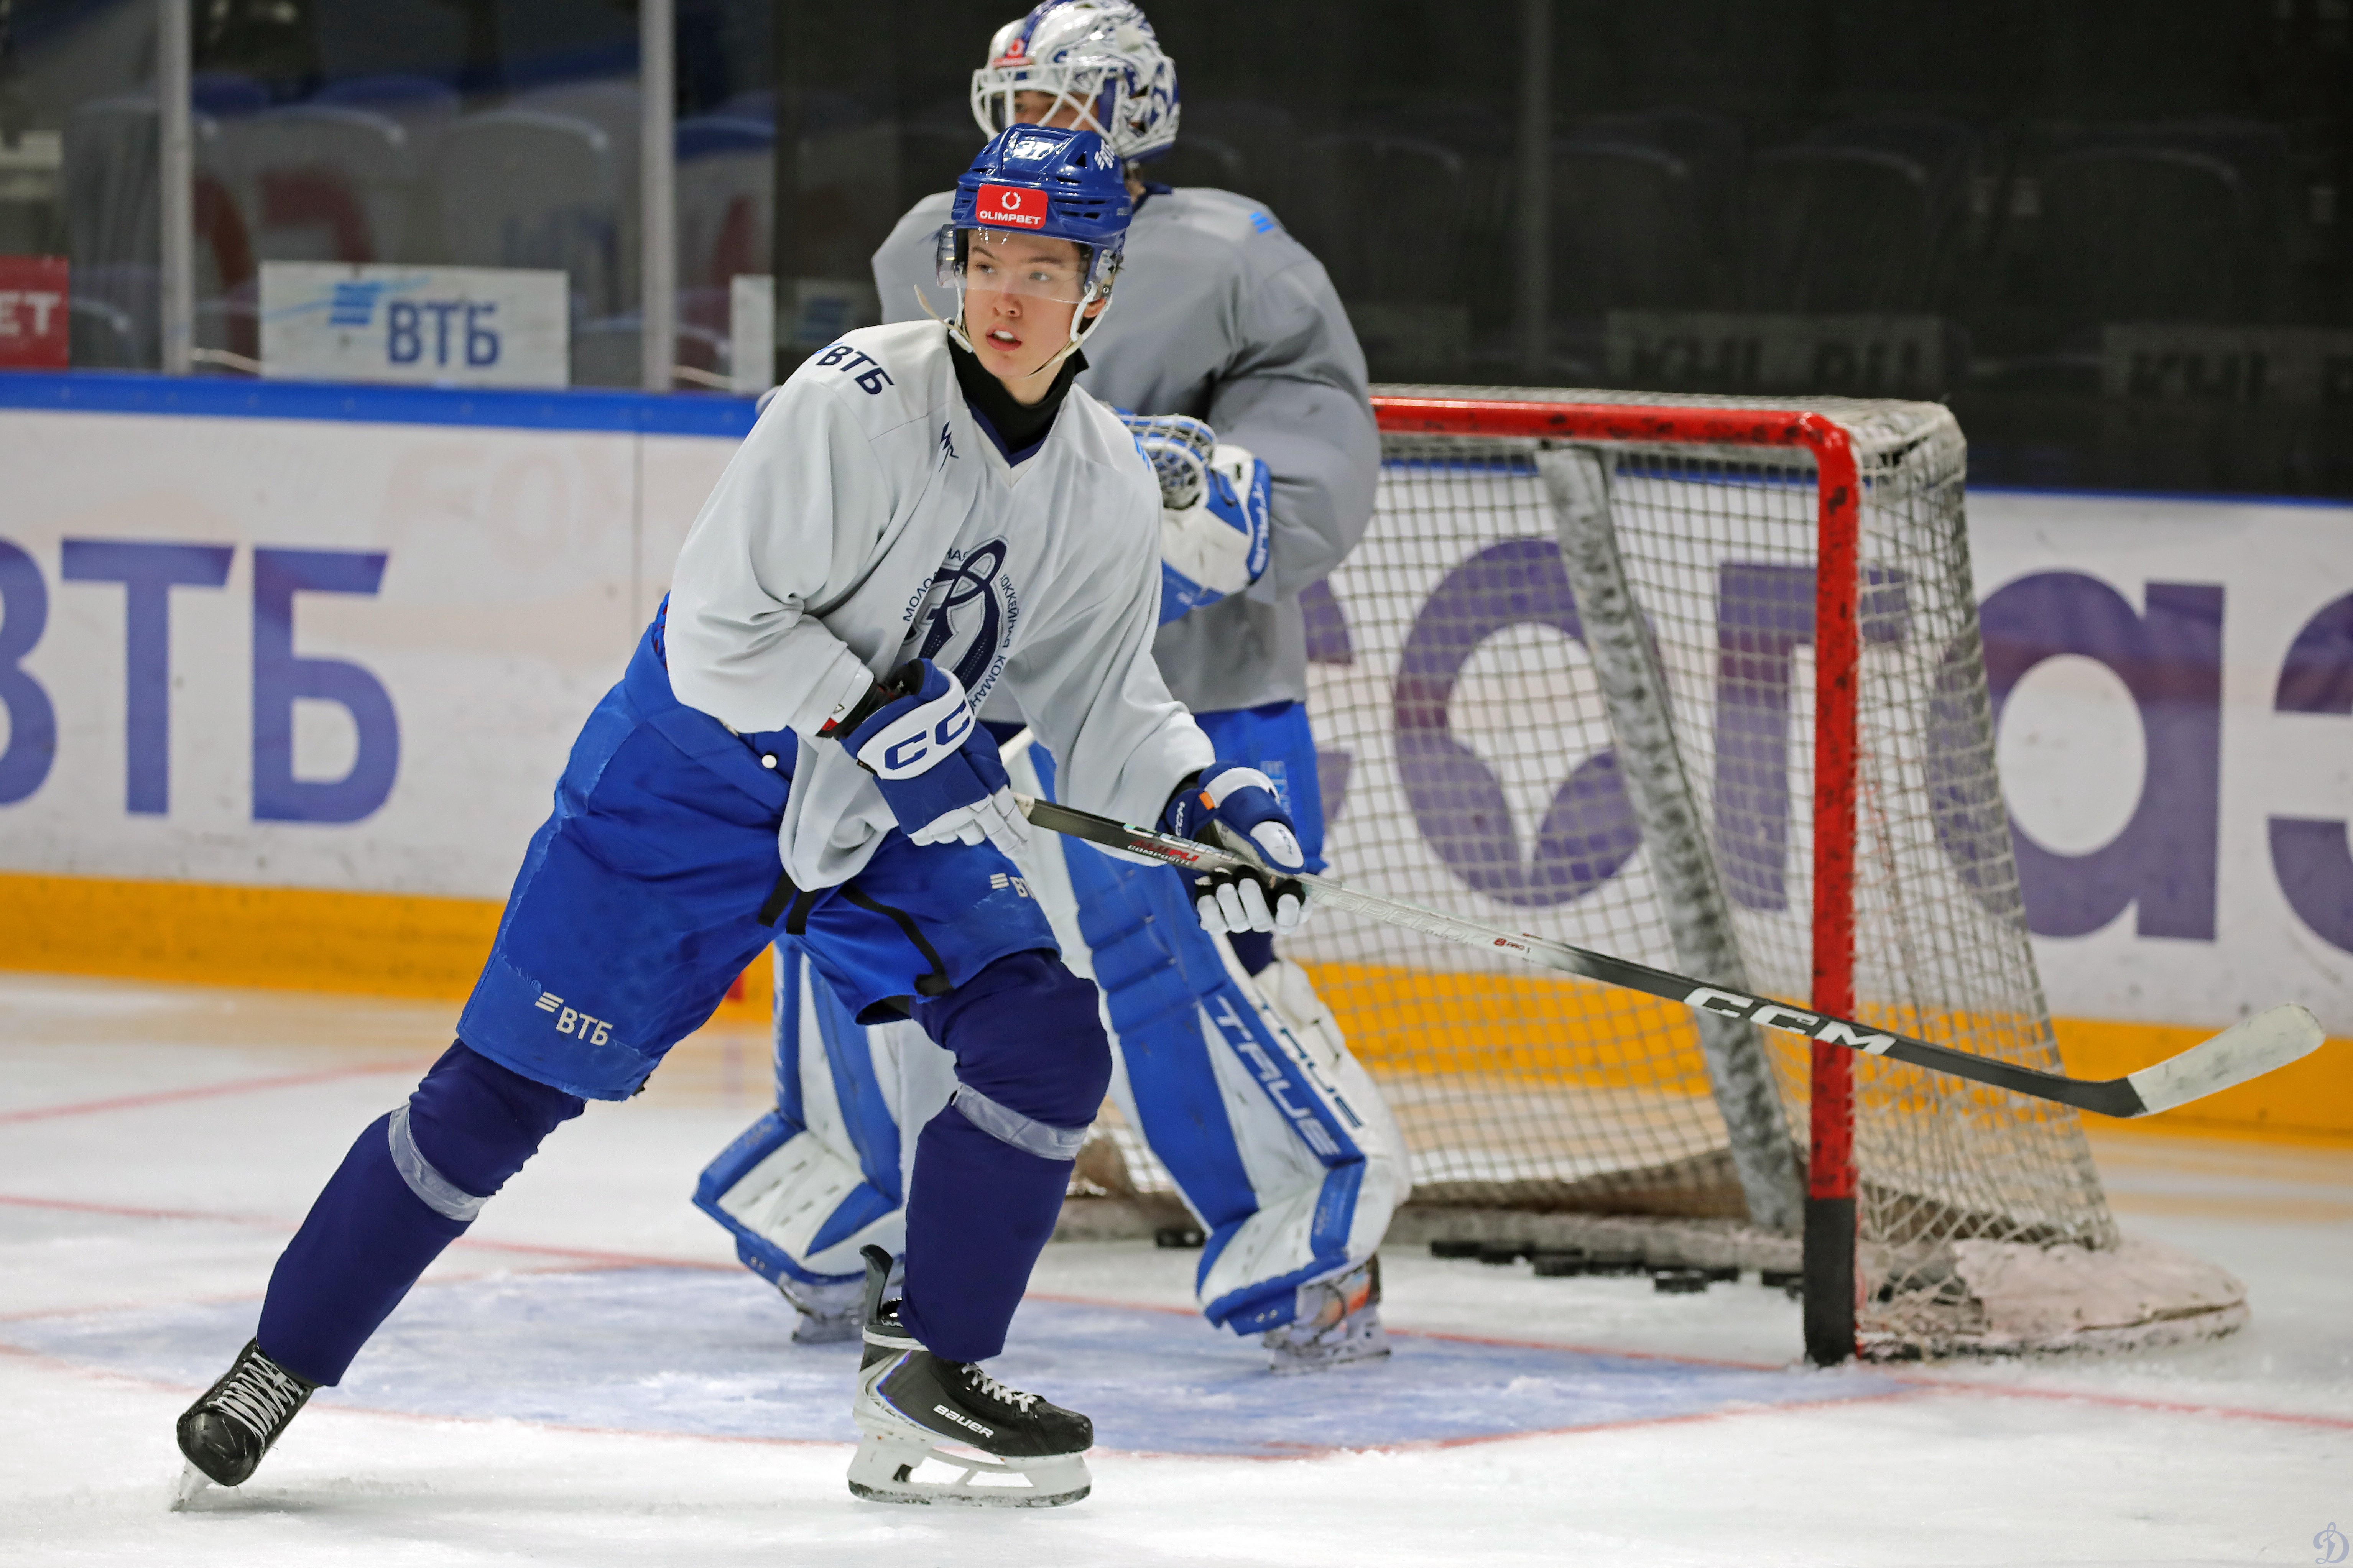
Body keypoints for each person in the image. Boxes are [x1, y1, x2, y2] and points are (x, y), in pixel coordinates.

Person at [171, 124, 1314, 1511]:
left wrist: (1205, 794)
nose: (1004, 297)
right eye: (984, 261)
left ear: (1098, 289)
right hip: (688, 788)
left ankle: (929, 1382)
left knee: (1043, 1035)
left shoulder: (1106, 480)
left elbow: (1102, 700)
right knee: (499, 1096)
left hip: (873, 816)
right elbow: (716, 633)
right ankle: (279, 1361)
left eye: (1041, 269)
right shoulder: (852, 400)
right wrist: (871, 707)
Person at [696, 0, 1408, 1375]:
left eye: (1072, 102)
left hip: (1179, 689)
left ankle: (1304, 1247)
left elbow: (1306, 476)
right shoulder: (930, 238)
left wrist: (1193, 495)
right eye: (1021, 102)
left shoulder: (1238, 260)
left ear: (1142, 111)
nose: (1042, 127)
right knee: (873, 944)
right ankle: (864, 1219)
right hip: (950, 694)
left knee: (1187, 962)